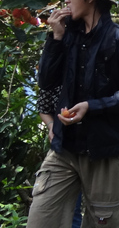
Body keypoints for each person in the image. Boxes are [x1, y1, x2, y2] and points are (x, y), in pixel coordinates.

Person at [28, 0, 119, 227]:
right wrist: (56, 38)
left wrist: (91, 107)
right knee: (40, 219)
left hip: (105, 150)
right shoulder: (67, 36)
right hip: (65, 148)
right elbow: (47, 81)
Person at [37, 86, 82, 228]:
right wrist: (51, 126)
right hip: (64, 148)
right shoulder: (53, 72)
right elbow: (43, 108)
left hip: (97, 148)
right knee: (71, 207)